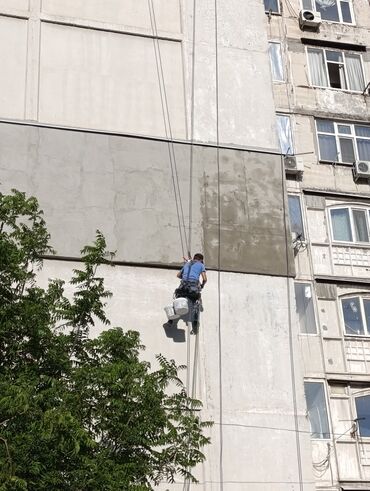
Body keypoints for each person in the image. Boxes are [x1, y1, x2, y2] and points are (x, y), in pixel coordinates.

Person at [174, 253, 207, 334]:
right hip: (193, 287)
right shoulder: (201, 265)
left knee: (178, 301)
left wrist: (185, 277)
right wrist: (202, 285)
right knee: (196, 304)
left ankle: (170, 320)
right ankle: (195, 327)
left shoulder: (187, 264)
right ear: (201, 260)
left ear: (194, 258)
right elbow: (205, 279)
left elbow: (178, 275)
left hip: (183, 286)